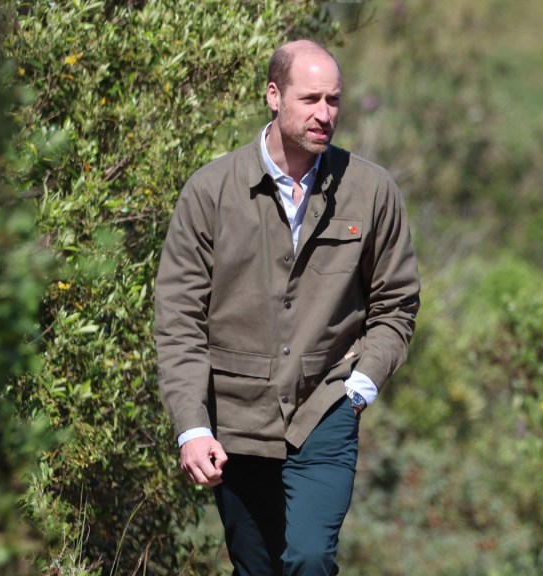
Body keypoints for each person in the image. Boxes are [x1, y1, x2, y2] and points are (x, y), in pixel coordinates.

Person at [154, 39, 420, 575]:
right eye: (310, 99)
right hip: (235, 417)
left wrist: (361, 385)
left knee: (309, 557)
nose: (325, 114)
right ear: (274, 96)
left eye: (334, 100)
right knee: (257, 566)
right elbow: (179, 320)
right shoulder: (210, 191)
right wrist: (192, 426)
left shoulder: (371, 190)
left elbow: (396, 303)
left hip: (327, 406)